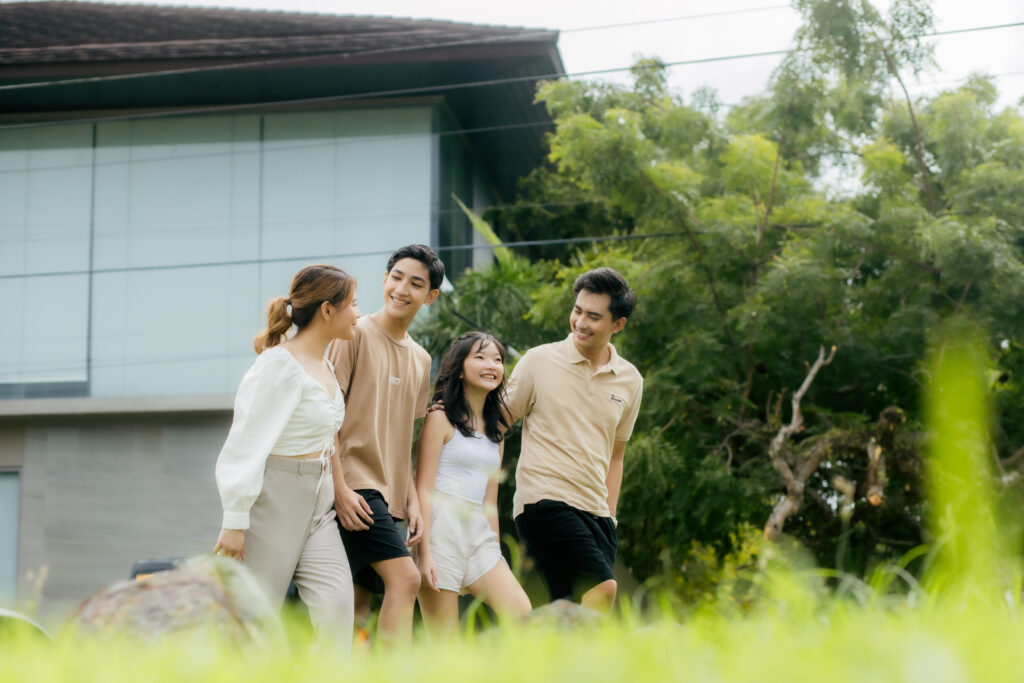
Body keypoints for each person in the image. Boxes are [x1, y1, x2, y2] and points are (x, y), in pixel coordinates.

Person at [214, 264, 360, 651]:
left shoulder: (325, 364)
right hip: (274, 498)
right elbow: (245, 443)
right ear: (328, 310)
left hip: (319, 501)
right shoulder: (279, 365)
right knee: (255, 622)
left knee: (338, 608)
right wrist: (234, 520)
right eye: (353, 305)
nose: (358, 314)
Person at [507, 267, 643, 611]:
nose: (581, 322)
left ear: (618, 324)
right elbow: (496, 425)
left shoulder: (630, 380)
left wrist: (610, 516)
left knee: (568, 609)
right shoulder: (538, 361)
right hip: (543, 501)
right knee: (603, 588)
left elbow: (616, 456)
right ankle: (595, 665)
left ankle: (557, 664)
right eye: (577, 311)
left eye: (593, 316)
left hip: (597, 513)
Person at [328, 244, 443, 647]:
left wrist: (411, 499)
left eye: (416, 284)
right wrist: (339, 489)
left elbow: (401, 439)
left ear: (430, 297)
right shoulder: (352, 333)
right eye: (396, 278)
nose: (402, 289)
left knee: (358, 602)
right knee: (406, 579)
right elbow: (326, 418)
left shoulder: (421, 359)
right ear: (384, 280)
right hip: (354, 489)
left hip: (387, 496)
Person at [415, 332, 532, 636]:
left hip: (479, 535)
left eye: (497, 359)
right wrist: (424, 554)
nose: (491, 365)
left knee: (522, 612)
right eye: (480, 357)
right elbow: (423, 491)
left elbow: (490, 501)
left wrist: (495, 548)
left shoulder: (496, 434)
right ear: (459, 367)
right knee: (445, 644)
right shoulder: (440, 419)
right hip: (441, 530)